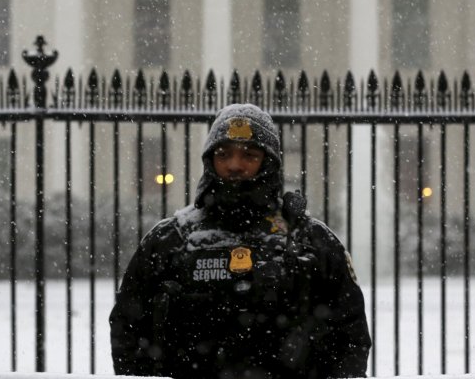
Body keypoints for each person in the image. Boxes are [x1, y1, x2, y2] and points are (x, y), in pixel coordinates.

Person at [110, 103, 371, 379]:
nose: (235, 165)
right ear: (210, 160)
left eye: (249, 154)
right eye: (224, 154)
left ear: (268, 161)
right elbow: (128, 330)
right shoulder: (168, 240)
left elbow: (351, 336)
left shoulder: (312, 241)